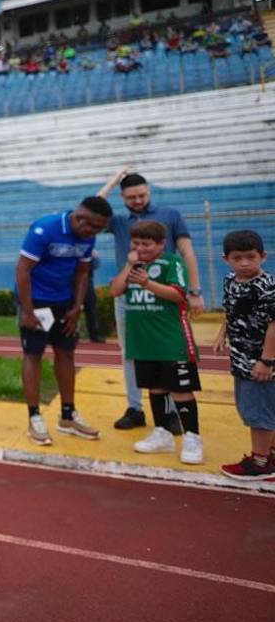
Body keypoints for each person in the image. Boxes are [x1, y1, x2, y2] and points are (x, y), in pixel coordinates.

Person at [97, 169, 205, 431]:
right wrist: (114, 178)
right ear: (122, 196)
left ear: (149, 191)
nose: (137, 200)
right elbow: (94, 206)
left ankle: (169, 413)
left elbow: (187, 251)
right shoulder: (120, 221)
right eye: (131, 196)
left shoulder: (170, 215)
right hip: (129, 296)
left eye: (142, 194)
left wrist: (194, 291)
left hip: (163, 295)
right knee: (130, 353)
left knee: (165, 353)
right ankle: (135, 408)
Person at [16, 197, 112, 445]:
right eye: (94, 227)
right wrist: (27, 312)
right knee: (33, 355)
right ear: (80, 218)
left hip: (65, 302)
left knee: (67, 354)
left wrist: (77, 307)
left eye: (101, 229)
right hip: (36, 302)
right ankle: (34, 416)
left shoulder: (88, 235)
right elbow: (22, 270)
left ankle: (68, 416)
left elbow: (82, 272)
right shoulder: (44, 229)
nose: (96, 233)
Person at [107, 221, 204, 464]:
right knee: (156, 387)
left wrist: (147, 283)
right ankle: (162, 433)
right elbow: (115, 291)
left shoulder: (172, 262)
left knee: (181, 390)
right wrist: (130, 265)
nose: (140, 248)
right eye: (136, 243)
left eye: (146, 244)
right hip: (143, 340)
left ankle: (192, 438)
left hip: (171, 339)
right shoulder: (131, 266)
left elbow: (179, 294)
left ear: (161, 244)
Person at [215, 231, 275, 480]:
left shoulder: (267, 286)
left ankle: (260, 463)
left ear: (263, 256)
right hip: (241, 358)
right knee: (261, 407)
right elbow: (231, 310)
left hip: (260, 361)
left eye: (250, 257)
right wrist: (222, 333)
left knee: (258, 410)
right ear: (225, 258)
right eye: (237, 258)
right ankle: (269, 453)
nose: (244, 263)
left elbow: (274, 324)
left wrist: (266, 360)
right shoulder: (230, 281)